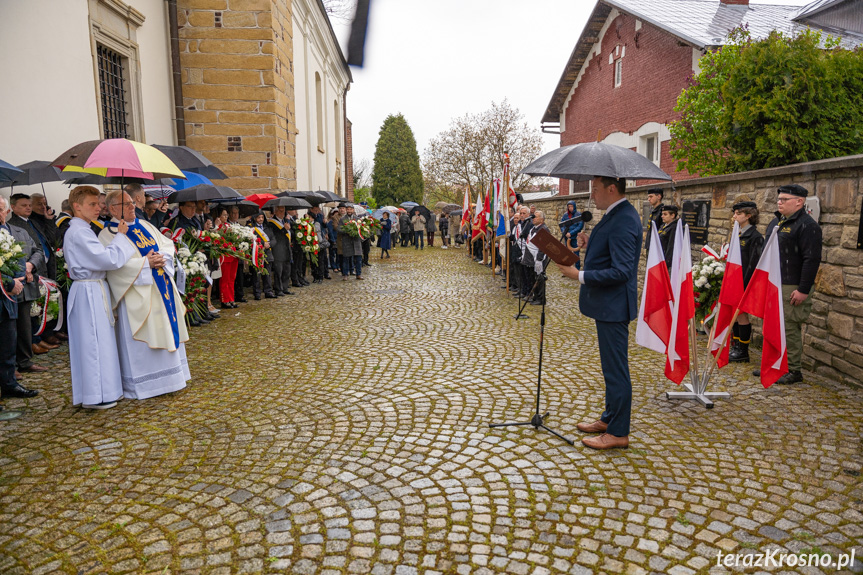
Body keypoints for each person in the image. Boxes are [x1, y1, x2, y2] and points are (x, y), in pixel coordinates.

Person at [556, 176, 641, 450]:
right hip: (608, 305)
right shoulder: (615, 214)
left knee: (616, 370)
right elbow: (610, 249)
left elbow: (622, 270)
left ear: (611, 188)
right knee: (610, 368)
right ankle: (609, 418)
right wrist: (589, 241)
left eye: (595, 188)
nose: (592, 194)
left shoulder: (625, 218)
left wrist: (579, 275)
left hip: (614, 306)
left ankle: (618, 432)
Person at [99, 191, 190, 400]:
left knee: (167, 327)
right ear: (113, 209)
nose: (133, 207)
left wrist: (161, 257)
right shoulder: (107, 234)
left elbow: (167, 244)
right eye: (126, 204)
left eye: (133, 202)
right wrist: (145, 264)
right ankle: (147, 384)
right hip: (136, 294)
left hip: (161, 287)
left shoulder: (145, 225)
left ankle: (173, 377)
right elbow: (112, 266)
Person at [65, 186, 137, 409]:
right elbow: (108, 260)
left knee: (98, 341)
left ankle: (102, 391)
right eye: (92, 204)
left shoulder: (84, 229)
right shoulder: (78, 232)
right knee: (93, 344)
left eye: (99, 204)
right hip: (88, 291)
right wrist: (121, 237)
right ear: (77, 206)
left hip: (93, 289)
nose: (99, 208)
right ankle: (96, 395)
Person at [764, 184, 822, 384]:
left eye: (784, 199)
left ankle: (793, 369)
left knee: (789, 328)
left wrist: (803, 289)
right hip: (773, 282)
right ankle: (774, 364)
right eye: (778, 199)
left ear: (799, 201)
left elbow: (811, 259)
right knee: (772, 325)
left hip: (792, 284)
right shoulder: (776, 222)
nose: (779, 202)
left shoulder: (807, 225)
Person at [0, 195, 40, 400]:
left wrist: (29, 267)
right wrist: (9, 283)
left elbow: (34, 251)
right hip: (6, 289)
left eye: (1, 209)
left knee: (10, 339)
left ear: (6, 211)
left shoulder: (15, 232)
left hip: (14, 293)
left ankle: (9, 383)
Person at [728, 200, 764, 364]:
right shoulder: (739, 233)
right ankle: (735, 345)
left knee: (741, 316)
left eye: (738, 213)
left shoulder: (755, 237)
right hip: (734, 282)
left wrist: (745, 284)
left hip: (743, 282)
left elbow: (752, 263)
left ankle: (743, 350)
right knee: (734, 316)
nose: (734, 216)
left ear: (749, 216)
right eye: (734, 213)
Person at [523, 210, 550, 305]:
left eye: (536, 217)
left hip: (539, 258)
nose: (533, 218)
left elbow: (544, 246)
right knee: (534, 278)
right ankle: (535, 296)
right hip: (531, 258)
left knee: (540, 278)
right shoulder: (534, 228)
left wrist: (539, 259)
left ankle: (541, 298)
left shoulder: (544, 229)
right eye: (533, 216)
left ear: (542, 219)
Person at [267, 205, 294, 296]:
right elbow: (275, 236)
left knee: (287, 270)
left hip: (286, 249)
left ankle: (285, 287)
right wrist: (284, 229)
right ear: (276, 211)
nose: (283, 213)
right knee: (279, 271)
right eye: (281, 211)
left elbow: (290, 233)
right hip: (278, 250)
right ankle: (278, 289)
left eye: (284, 211)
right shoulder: (271, 223)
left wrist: (288, 229)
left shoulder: (285, 221)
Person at [250, 211, 276, 299]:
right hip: (257, 254)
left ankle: (268, 291)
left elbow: (273, 239)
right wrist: (262, 243)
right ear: (255, 218)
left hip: (268, 253)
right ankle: (257, 293)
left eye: (262, 217)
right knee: (257, 275)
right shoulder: (252, 228)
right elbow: (252, 239)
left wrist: (269, 244)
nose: (261, 219)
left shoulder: (267, 228)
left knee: (267, 274)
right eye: (259, 217)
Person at [336, 204, 363, 280]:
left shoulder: (357, 219)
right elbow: (339, 229)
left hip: (356, 242)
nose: (349, 211)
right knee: (346, 259)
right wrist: (347, 230)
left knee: (358, 259)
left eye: (351, 209)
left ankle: (358, 274)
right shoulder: (342, 219)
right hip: (347, 242)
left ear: (353, 210)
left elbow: (362, 229)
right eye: (348, 209)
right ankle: (345, 274)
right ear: (346, 210)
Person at [559, 200, 584, 270]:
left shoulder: (578, 214)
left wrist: (571, 233)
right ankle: (567, 269)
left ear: (574, 206)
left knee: (576, 254)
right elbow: (561, 225)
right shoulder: (565, 215)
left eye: (571, 206)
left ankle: (577, 269)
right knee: (567, 254)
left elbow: (580, 226)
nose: (570, 208)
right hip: (567, 237)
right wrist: (564, 232)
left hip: (575, 237)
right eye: (569, 206)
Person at [656, 204, 679, 270]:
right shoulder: (663, 226)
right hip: (659, 258)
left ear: (672, 215)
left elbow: (671, 246)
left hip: (665, 260)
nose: (662, 216)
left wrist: (666, 263)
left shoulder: (673, 227)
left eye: (665, 214)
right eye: (662, 214)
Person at [644, 188, 664, 255]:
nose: (649, 199)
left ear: (659, 197)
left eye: (651, 196)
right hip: (650, 244)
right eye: (648, 197)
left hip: (656, 246)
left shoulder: (662, 211)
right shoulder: (653, 210)